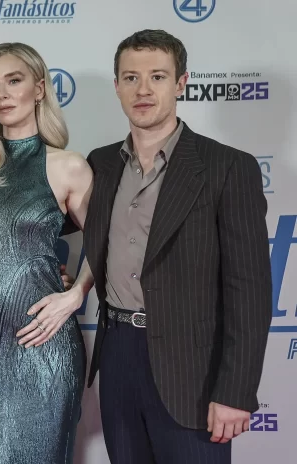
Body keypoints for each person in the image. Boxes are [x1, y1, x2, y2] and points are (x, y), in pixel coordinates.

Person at [74, 29, 272, 464]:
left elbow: (250, 292)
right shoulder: (100, 164)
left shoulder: (227, 167)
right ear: (117, 86)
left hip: (192, 370)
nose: (143, 90)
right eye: (131, 78)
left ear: (181, 83)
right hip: (118, 354)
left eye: (157, 77)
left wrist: (236, 391)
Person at [0, 42, 94, 464]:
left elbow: (111, 244)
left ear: (40, 88)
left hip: (42, 344)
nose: (3, 94)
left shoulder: (67, 166)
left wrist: (75, 295)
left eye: (14, 81)